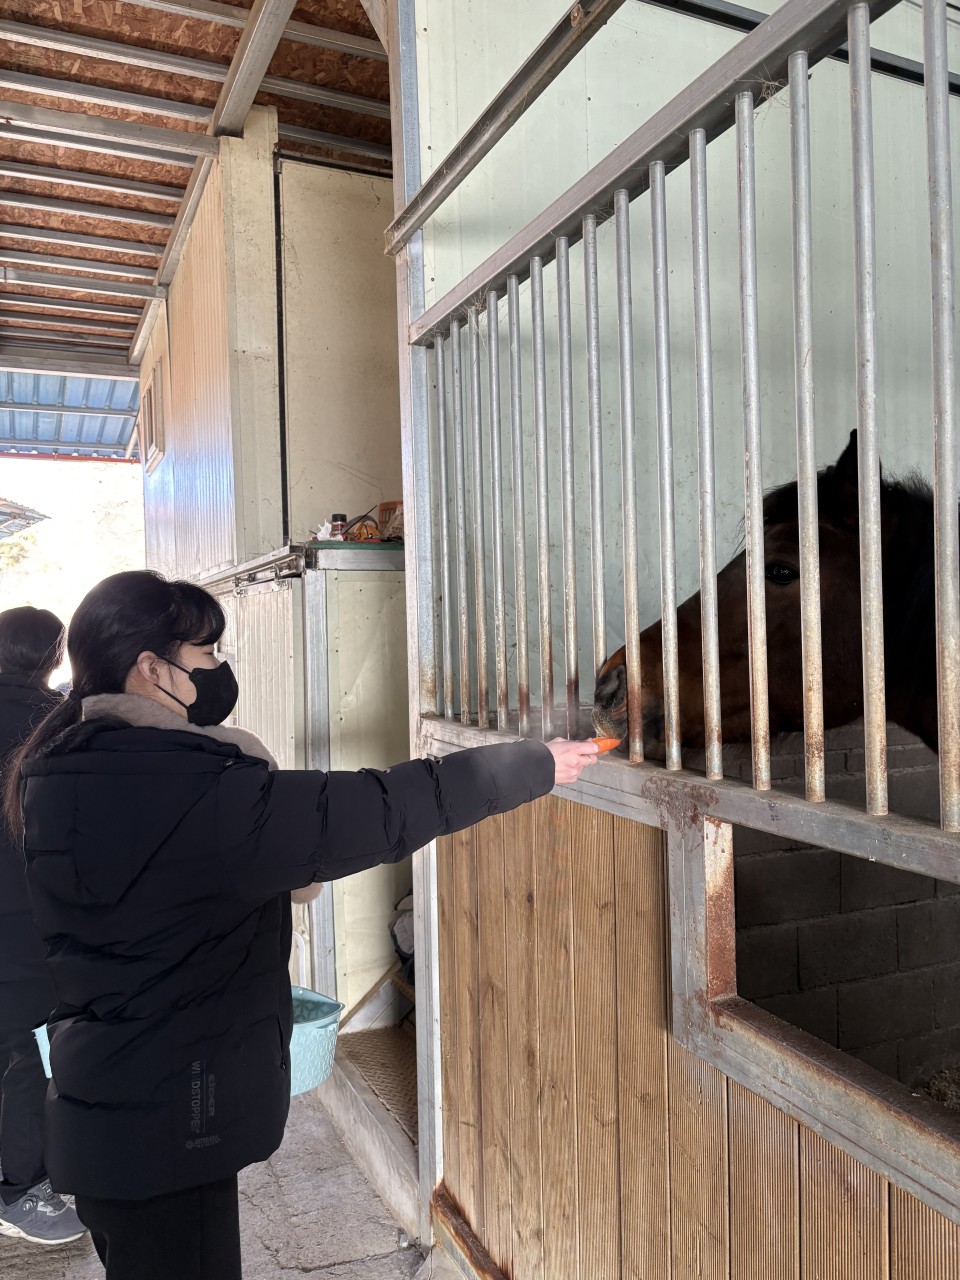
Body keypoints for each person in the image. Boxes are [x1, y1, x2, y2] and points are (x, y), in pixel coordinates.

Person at [4, 570, 597, 1279]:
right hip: (172, 1112)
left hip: (109, 1094)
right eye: (207, 654)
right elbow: (380, 809)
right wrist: (533, 762)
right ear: (151, 668)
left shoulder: (61, 768)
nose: (219, 669)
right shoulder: (192, 788)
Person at [0, 606, 87, 1245]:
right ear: (57, 656)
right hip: (27, 917)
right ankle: (19, 1189)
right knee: (24, 1052)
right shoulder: (55, 723)